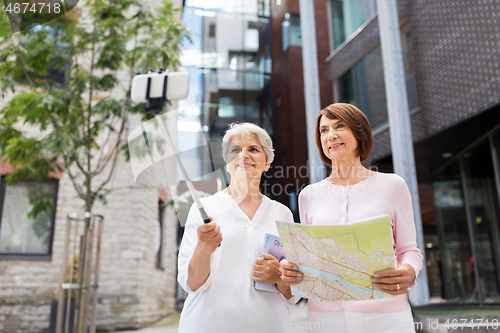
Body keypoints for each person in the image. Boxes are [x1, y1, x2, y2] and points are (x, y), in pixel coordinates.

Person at [280, 103, 423, 333]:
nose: (330, 135)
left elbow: (410, 251)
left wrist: (408, 271)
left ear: (359, 132)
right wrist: (290, 266)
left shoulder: (393, 186)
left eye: (339, 126)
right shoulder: (308, 195)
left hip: (386, 316)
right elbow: (308, 257)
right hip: (325, 319)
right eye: (323, 130)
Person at [177, 123, 297, 333]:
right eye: (235, 150)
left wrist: (279, 276)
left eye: (253, 149)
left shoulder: (283, 214)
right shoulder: (204, 209)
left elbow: (293, 291)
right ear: (227, 162)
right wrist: (204, 249)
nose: (244, 155)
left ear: (267, 162)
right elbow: (192, 284)